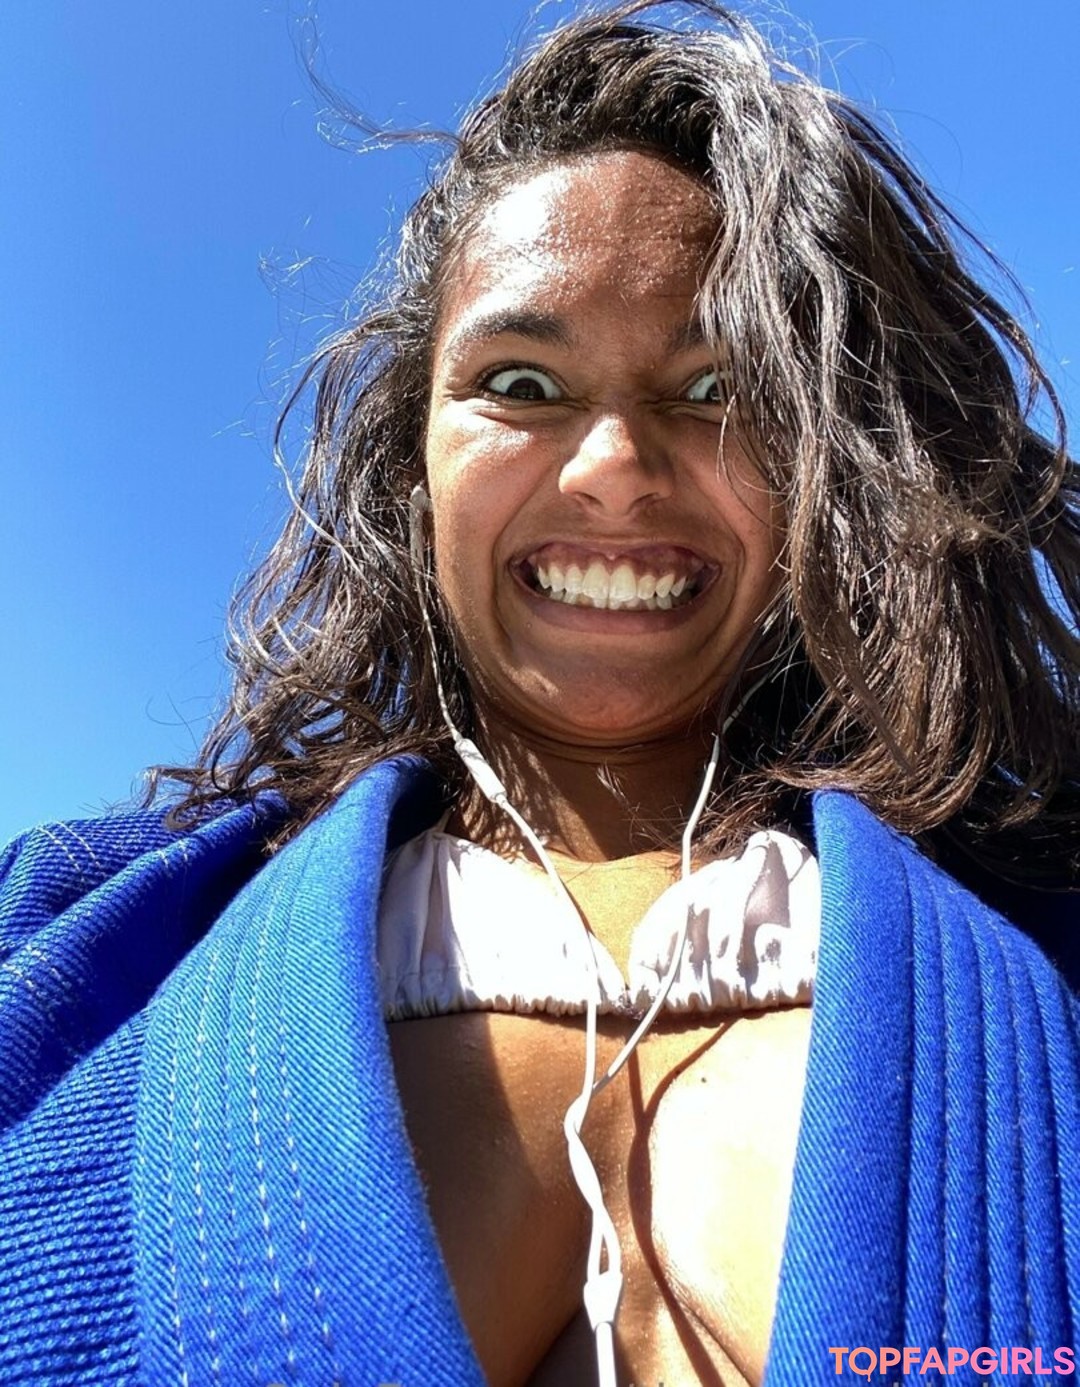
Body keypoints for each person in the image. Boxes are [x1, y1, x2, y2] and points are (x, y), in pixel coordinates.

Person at [2, 1, 1078, 1384]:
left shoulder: (1044, 916)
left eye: (719, 387)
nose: (614, 467)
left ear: (825, 460)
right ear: (416, 463)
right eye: (521, 382)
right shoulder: (67, 935)